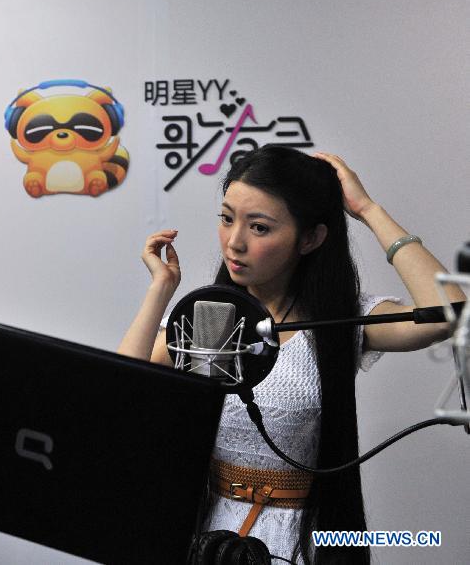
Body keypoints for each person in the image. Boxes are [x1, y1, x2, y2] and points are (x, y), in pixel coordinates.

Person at [118, 145, 465, 564]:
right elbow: (123, 394)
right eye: (227, 219)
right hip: (206, 537)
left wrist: (368, 209)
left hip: (302, 540)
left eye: (260, 228)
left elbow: (447, 313)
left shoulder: (342, 320)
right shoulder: (210, 320)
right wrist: (161, 290)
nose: (235, 243)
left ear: (312, 238)